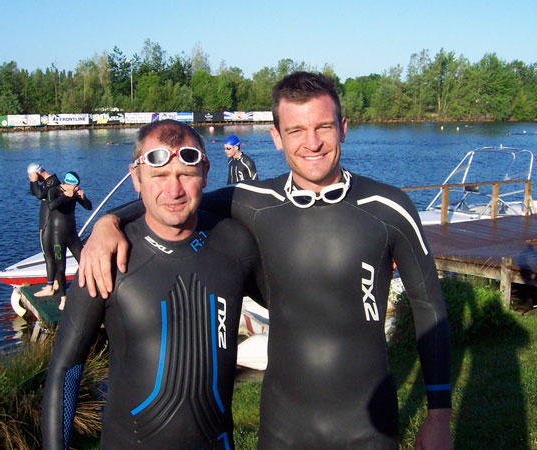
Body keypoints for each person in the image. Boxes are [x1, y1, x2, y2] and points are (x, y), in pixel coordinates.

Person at [78, 72, 452, 449]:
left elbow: (428, 308)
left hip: (367, 426)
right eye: (295, 130)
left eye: (324, 126)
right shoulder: (253, 201)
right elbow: (173, 200)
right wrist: (110, 222)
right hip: (283, 428)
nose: (312, 143)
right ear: (276, 137)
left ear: (343, 127)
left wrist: (439, 415)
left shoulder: (388, 208)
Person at [41, 120, 263, 449]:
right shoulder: (107, 258)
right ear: (136, 179)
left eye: (186, 175)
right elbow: (65, 370)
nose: (173, 190)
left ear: (205, 172)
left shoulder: (235, 243)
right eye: (159, 176)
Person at [35, 171, 92, 309]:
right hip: (57, 236)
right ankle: (63, 297)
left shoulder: (75, 193)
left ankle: (90, 290)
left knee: (84, 261)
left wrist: (83, 198)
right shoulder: (53, 191)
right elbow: (51, 206)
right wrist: (65, 196)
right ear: (67, 184)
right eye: (75, 186)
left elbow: (89, 207)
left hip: (72, 235)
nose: (77, 188)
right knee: (61, 268)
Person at [28, 163, 61, 295]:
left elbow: (39, 194)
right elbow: (34, 192)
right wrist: (33, 182)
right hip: (48, 222)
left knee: (48, 254)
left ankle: (50, 287)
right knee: (51, 254)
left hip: (47, 224)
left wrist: (35, 181)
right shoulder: (50, 181)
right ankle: (57, 281)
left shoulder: (52, 182)